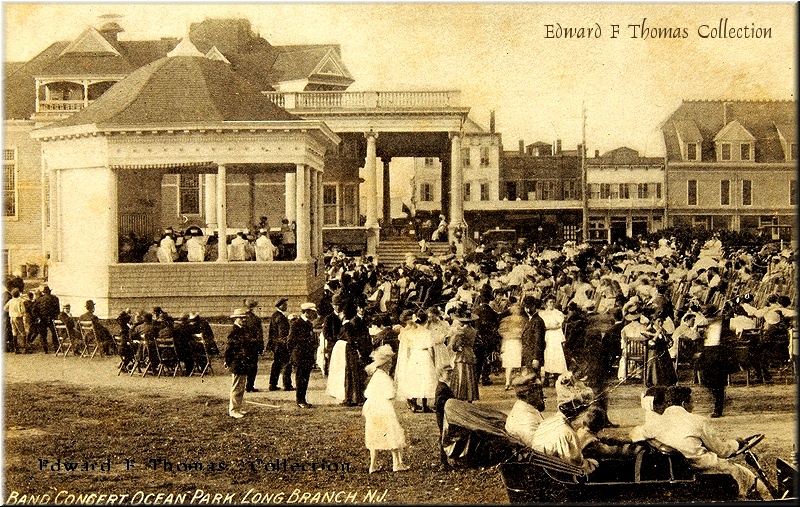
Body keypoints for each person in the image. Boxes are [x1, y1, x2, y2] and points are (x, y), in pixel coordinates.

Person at [629, 385, 771, 499]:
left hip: (681, 467)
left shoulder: (653, 424)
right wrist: (737, 443)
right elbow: (723, 451)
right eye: (692, 402)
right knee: (745, 474)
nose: (693, 407)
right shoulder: (698, 421)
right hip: (702, 466)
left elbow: (634, 434)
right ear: (684, 403)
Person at [531, 372, 599, 474]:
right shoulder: (567, 432)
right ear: (578, 412)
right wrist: (593, 463)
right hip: (556, 475)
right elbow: (577, 467)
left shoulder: (547, 422)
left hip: (543, 469)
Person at [363, 344, 409, 473]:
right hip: (383, 407)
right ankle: (396, 463)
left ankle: (373, 465)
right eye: (389, 363)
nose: (390, 365)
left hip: (372, 408)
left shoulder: (375, 377)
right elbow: (390, 394)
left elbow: (367, 393)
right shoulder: (385, 378)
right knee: (392, 432)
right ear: (384, 364)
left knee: (374, 434)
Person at [699, 304, 738, 418]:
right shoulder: (707, 326)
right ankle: (720, 400)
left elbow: (730, 342)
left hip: (718, 355)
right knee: (706, 380)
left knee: (718, 383)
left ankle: (718, 408)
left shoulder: (724, 325)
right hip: (708, 353)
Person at [288, 302, 319, 408]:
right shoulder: (296, 324)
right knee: (300, 379)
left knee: (305, 379)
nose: (314, 315)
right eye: (312, 312)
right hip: (300, 356)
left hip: (307, 356)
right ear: (306, 312)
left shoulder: (309, 324)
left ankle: (303, 399)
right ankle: (300, 400)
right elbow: (290, 341)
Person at [224, 308, 253, 419]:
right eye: (241, 318)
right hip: (236, 362)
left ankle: (238, 407)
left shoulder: (242, 329)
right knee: (236, 387)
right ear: (236, 319)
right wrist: (227, 361)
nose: (244, 320)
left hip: (243, 361)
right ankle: (233, 410)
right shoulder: (233, 331)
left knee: (241, 386)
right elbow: (229, 349)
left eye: (245, 318)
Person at [504, 372, 546, 448]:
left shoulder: (525, 409)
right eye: (540, 393)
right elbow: (539, 449)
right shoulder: (525, 420)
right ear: (528, 394)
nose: (543, 397)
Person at [448, 307, 479, 402]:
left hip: (462, 354)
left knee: (461, 375)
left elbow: (453, 345)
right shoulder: (473, 330)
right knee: (470, 376)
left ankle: (460, 395)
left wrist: (455, 347)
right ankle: (470, 397)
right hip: (470, 353)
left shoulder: (460, 332)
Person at [539, 295, 568, 386]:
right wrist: (549, 326)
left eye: (553, 302)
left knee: (556, 356)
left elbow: (558, 325)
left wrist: (549, 326)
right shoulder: (542, 313)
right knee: (547, 355)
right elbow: (543, 325)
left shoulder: (558, 313)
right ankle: (546, 378)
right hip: (547, 336)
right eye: (550, 302)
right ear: (546, 303)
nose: (551, 304)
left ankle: (557, 377)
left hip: (555, 336)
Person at [268, 297, 293, 391]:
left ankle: (272, 384)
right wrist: (287, 343)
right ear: (279, 306)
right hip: (282, 345)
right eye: (284, 305)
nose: (286, 306)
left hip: (276, 345)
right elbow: (283, 333)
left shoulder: (274, 315)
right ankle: (287, 385)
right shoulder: (281, 318)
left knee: (276, 364)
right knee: (286, 364)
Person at [499, 303, 527, 389]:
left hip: (509, 342)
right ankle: (519, 382)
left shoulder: (506, 320)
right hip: (515, 342)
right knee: (520, 362)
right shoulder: (523, 320)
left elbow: (501, 331)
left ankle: (508, 382)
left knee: (511, 363)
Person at [241, 299, 265, 392]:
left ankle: (243, 386)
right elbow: (260, 335)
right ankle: (249, 386)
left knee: (244, 366)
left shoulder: (242, 318)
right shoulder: (256, 319)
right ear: (253, 308)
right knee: (252, 367)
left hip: (243, 346)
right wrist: (260, 347)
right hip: (253, 346)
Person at [4, 289, 26, 353]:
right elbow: (23, 310)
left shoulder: (10, 301)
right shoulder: (20, 301)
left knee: (14, 332)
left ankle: (16, 349)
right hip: (18, 317)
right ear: (18, 294)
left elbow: (5, 308)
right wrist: (21, 313)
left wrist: (10, 311)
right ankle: (24, 348)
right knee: (22, 332)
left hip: (12, 317)